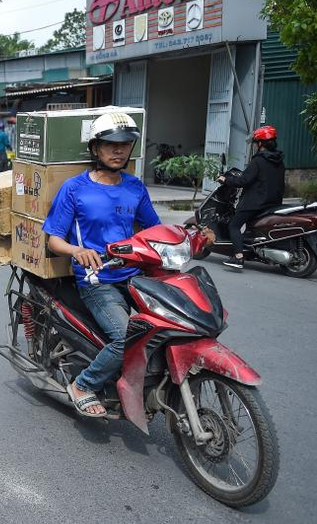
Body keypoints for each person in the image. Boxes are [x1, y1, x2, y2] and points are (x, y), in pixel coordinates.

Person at [42, 112, 213, 418]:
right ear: (96, 149)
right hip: (98, 279)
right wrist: (77, 250)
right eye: (110, 144)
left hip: (134, 275)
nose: (118, 150)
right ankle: (84, 384)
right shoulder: (75, 188)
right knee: (125, 339)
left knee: (173, 325)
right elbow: (53, 239)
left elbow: (155, 231)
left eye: (125, 144)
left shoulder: (134, 187)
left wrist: (194, 236)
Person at [216, 125, 285, 270]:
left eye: (255, 143)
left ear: (260, 144)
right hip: (273, 202)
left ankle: (238, 257)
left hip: (256, 203)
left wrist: (225, 180)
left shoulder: (258, 161)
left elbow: (243, 181)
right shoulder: (279, 161)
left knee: (234, 225)